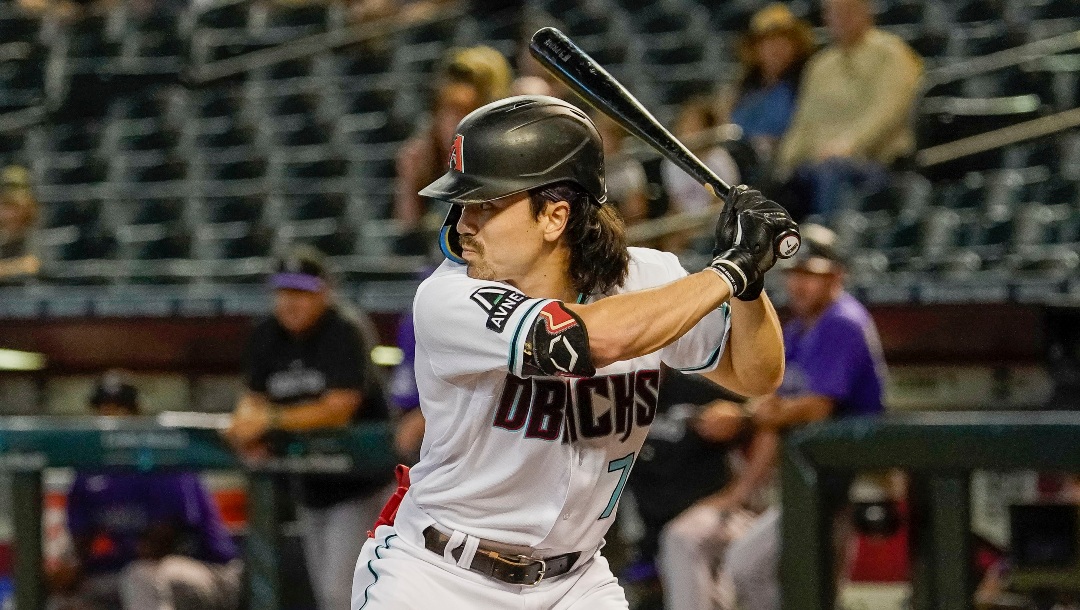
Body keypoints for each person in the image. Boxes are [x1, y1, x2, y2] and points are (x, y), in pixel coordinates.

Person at [350, 94, 799, 609]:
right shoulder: (449, 297)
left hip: (574, 581)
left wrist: (750, 280)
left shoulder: (648, 280)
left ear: (555, 216)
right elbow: (588, 339)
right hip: (439, 577)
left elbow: (757, 374)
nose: (463, 222)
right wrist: (729, 270)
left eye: (487, 204)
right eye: (462, 203)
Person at [717, 223, 888, 610]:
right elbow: (775, 405)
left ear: (836, 277)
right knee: (793, 579)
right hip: (814, 478)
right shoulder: (796, 330)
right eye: (796, 273)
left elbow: (816, 406)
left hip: (850, 478)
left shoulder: (843, 320)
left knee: (769, 571)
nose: (800, 285)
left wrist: (747, 418)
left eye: (812, 275)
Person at [225, 244, 393, 610]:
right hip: (310, 484)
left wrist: (267, 420)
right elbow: (252, 397)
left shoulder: (344, 329)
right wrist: (246, 427)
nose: (290, 302)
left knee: (343, 593)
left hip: (362, 482)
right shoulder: (267, 334)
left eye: (301, 292)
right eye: (283, 292)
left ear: (324, 292)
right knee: (328, 594)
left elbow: (339, 408)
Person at [47, 371, 242, 610]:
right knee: (65, 599)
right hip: (136, 571)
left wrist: (95, 567)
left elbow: (163, 543)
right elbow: (81, 543)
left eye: (120, 409)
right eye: (103, 409)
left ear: (137, 412)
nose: (110, 417)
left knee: (139, 578)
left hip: (210, 572)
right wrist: (69, 573)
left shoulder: (162, 455)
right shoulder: (90, 470)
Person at [773, 0, 922, 220]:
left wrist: (848, 146)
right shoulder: (820, 65)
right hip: (816, 166)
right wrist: (784, 164)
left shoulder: (892, 54)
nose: (839, 19)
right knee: (770, 187)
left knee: (832, 172)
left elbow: (887, 112)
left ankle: (824, 241)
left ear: (866, 12)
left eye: (847, 11)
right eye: (832, 13)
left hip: (875, 165)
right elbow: (803, 122)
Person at [393, 45, 513, 254]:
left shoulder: (506, 161)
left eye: (462, 111)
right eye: (445, 110)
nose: (452, 122)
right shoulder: (425, 155)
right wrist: (409, 180)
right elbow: (408, 236)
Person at [728, 4, 816, 164]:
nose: (776, 49)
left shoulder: (807, 81)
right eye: (768, 42)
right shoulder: (744, 87)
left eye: (783, 41)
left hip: (786, 162)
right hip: (742, 159)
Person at [660, 96, 742, 253]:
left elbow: (721, 205)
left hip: (715, 226)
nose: (688, 131)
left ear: (706, 128)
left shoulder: (721, 160)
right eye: (685, 125)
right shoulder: (671, 164)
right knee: (669, 244)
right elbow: (675, 205)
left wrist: (695, 231)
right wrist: (679, 230)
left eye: (694, 126)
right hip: (686, 225)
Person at [0, 165, 41, 280]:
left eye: (16, 207)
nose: (11, 214)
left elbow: (33, 266)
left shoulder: (37, 238)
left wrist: (5, 269)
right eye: (7, 207)